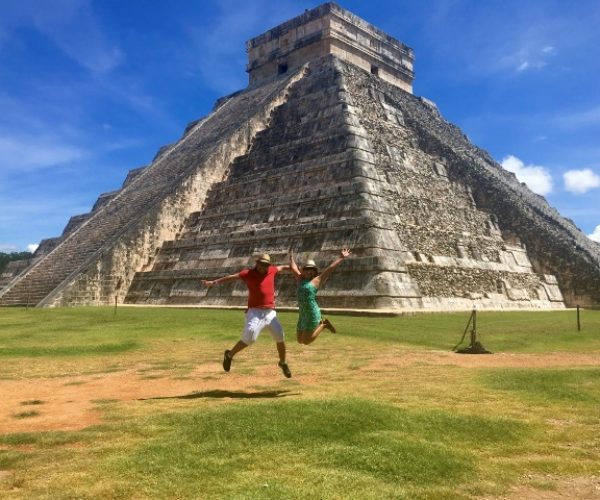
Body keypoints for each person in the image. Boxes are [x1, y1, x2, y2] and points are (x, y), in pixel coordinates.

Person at [202, 253, 292, 378]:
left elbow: (284, 268)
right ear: (257, 263)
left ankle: (282, 363)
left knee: (280, 336)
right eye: (261, 264)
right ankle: (229, 355)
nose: (263, 267)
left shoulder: (271, 270)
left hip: (270, 312)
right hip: (254, 311)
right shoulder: (247, 274)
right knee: (249, 337)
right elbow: (231, 277)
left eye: (265, 265)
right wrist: (214, 282)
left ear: (268, 266)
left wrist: (294, 267)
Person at [289, 248, 352, 345]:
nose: (309, 272)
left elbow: (330, 268)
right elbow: (293, 268)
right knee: (299, 340)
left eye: (312, 270)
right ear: (303, 271)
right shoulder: (300, 279)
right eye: (307, 270)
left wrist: (341, 257)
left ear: (314, 272)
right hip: (303, 314)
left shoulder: (317, 280)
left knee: (306, 341)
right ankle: (324, 324)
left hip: (312, 313)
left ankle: (324, 325)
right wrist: (291, 257)